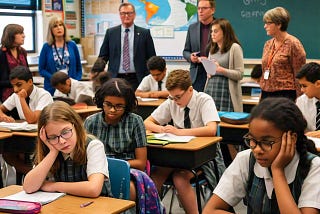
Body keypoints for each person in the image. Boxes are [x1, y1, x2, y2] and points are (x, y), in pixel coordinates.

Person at [202, 97, 320, 213]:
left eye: (267, 142)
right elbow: (210, 210)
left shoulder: (314, 167)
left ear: (291, 139)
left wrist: (277, 171)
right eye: (252, 140)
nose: (257, 149)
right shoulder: (246, 159)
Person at [144, 69, 225, 214]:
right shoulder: (172, 101)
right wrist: (161, 129)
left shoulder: (204, 100)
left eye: (178, 97)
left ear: (190, 90)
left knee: (179, 178)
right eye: (172, 97)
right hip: (177, 155)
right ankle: (151, 211)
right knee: (154, 176)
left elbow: (211, 129)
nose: (175, 101)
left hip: (203, 157)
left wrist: (179, 132)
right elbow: (147, 122)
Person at [84, 78, 163, 213]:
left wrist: (113, 165)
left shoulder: (135, 121)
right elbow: (83, 156)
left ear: (127, 105)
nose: (112, 110)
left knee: (130, 189)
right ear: (101, 101)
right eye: (108, 104)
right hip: (96, 171)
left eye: (119, 106)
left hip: (128, 170)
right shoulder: (91, 122)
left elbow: (141, 163)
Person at [23, 101, 111, 197]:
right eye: (53, 137)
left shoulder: (93, 146)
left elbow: (93, 189)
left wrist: (54, 186)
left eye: (65, 132)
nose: (61, 141)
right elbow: (28, 187)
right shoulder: (51, 148)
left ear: (75, 125)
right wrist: (53, 152)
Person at [0, 66, 53, 180]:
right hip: (24, 134)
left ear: (30, 82)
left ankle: (40, 174)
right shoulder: (16, 95)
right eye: (13, 86)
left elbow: (32, 119)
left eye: (18, 85)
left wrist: (22, 99)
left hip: (43, 136)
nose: (15, 89)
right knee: (6, 152)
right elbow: (1, 108)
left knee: (20, 151)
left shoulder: (44, 95)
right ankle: (35, 174)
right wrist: (3, 115)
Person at [98, 2, 156, 91]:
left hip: (137, 78)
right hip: (115, 78)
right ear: (119, 15)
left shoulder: (144, 33)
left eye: (129, 13)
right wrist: (96, 72)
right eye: (123, 13)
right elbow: (103, 56)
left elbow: (152, 58)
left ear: (134, 14)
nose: (126, 16)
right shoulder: (111, 33)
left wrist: (150, 76)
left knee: (135, 103)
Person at [260, 7, 306, 101]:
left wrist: (300, 100)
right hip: (266, 93)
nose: (265, 26)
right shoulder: (268, 44)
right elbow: (264, 71)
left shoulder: (293, 44)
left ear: (279, 24)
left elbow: (299, 74)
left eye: (268, 23)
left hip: (285, 94)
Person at [204, 18, 244, 112]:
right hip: (211, 89)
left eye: (216, 31)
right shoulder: (212, 49)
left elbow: (240, 74)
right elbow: (211, 71)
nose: (212, 34)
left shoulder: (234, 48)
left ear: (225, 32)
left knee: (226, 120)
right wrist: (209, 71)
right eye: (211, 31)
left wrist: (221, 69)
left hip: (226, 91)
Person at [39, 16, 82, 96]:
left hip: (71, 87)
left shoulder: (72, 45)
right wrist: (55, 79)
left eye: (61, 25)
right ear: (51, 30)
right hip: (53, 87)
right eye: (55, 26)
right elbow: (41, 70)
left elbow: (79, 68)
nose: (59, 28)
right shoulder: (46, 47)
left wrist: (75, 81)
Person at [183, 0, 216, 92]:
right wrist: (190, 57)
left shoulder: (219, 27)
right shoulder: (192, 28)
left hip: (214, 71)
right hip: (196, 74)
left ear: (212, 10)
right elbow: (185, 51)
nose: (200, 11)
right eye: (198, 8)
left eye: (204, 8)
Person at [0, 24, 28, 103]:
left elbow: (27, 72)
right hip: (8, 96)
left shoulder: (22, 52)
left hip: (24, 93)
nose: (24, 36)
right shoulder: (2, 54)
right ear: (11, 36)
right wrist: (16, 83)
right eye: (20, 33)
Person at [296, 62, 320, 133]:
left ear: (318, 84)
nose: (302, 90)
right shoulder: (301, 101)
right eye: (300, 86)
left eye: (304, 86)